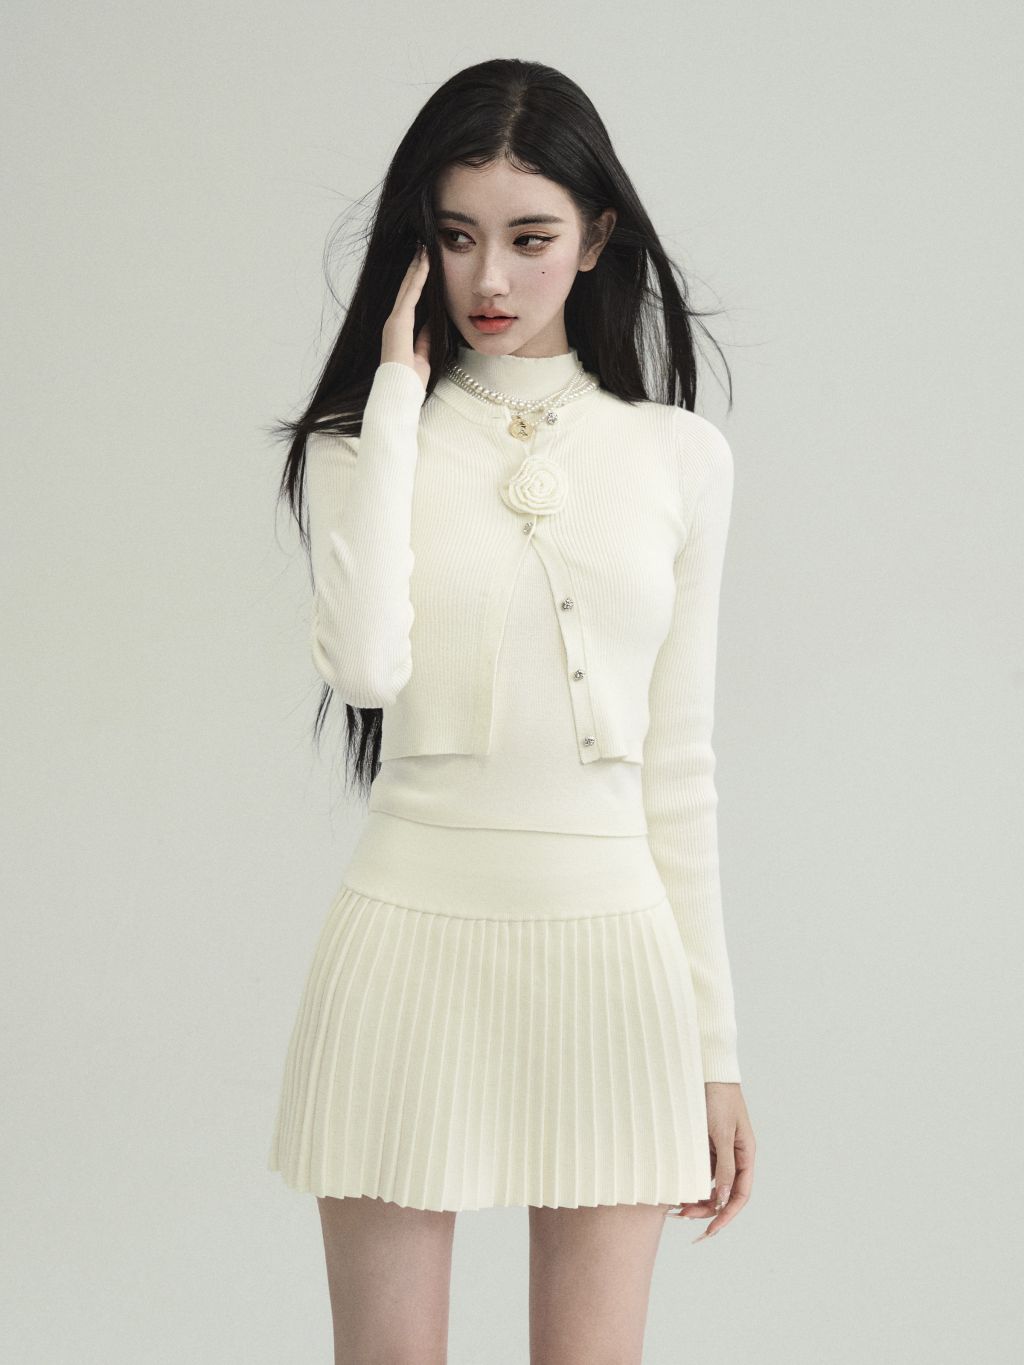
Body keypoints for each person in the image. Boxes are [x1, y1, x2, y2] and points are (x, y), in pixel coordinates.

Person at [267, 56, 756, 1365]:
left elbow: (680, 767)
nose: (490, 278)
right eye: (457, 236)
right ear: (418, 244)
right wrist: (393, 398)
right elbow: (365, 668)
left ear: (595, 240)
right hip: (407, 942)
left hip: (614, 955)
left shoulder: (680, 458)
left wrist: (715, 1050)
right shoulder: (361, 443)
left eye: (531, 238)